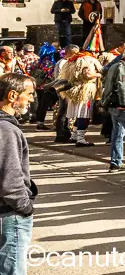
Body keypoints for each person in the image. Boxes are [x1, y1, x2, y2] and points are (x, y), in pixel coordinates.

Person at [0, 73, 36, 275]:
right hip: (9, 213)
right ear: (13, 95)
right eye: (29, 94)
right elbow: (10, 178)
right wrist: (25, 207)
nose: (31, 99)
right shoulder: (6, 129)